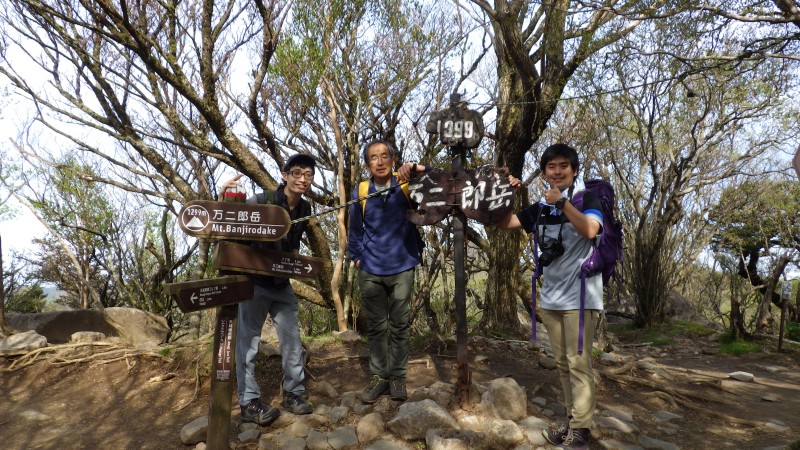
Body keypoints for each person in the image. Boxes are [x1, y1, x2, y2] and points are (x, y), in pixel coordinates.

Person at [497, 144, 603, 450]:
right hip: (553, 297)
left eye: (563, 167)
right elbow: (506, 224)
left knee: (579, 363)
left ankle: (581, 432)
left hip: (581, 297)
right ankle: (573, 422)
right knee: (563, 364)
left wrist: (563, 203)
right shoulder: (541, 208)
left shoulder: (586, 199)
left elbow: (591, 230)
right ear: (544, 171)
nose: (557, 172)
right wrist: (510, 193)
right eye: (551, 167)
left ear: (574, 170)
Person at [219, 153, 316, 426]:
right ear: (285, 175)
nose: (302, 179)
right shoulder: (262, 201)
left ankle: (293, 394)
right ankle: (249, 403)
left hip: (281, 285)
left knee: (292, 341)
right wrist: (224, 197)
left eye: (308, 175)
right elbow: (230, 223)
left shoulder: (305, 209)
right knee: (247, 344)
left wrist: (295, 268)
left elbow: (295, 245)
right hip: (254, 283)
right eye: (296, 173)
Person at [348, 139, 428, 403]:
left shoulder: (405, 184)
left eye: (385, 157)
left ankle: (398, 377)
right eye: (373, 158)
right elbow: (355, 228)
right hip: (370, 267)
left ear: (393, 160)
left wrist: (414, 167)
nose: (380, 162)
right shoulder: (361, 190)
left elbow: (436, 182)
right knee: (377, 327)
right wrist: (357, 257)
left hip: (402, 265)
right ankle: (379, 376)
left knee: (400, 324)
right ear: (368, 163)